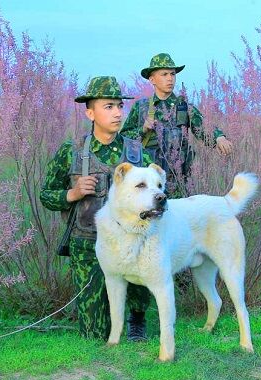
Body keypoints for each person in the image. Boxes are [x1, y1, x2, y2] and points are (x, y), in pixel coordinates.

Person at [40, 76, 153, 341]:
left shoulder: (137, 154)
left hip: (129, 244)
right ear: (90, 112)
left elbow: (158, 195)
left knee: (139, 280)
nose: (116, 113)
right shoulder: (72, 151)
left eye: (119, 106)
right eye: (108, 106)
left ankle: (137, 316)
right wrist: (73, 193)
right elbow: (46, 195)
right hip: (87, 243)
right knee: (93, 335)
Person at [121, 53, 233, 197]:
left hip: (179, 181)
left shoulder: (184, 107)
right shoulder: (141, 107)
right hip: (149, 184)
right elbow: (124, 138)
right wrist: (142, 129)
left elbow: (204, 128)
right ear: (152, 79)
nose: (170, 78)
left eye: (172, 74)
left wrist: (220, 138)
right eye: (164, 74)